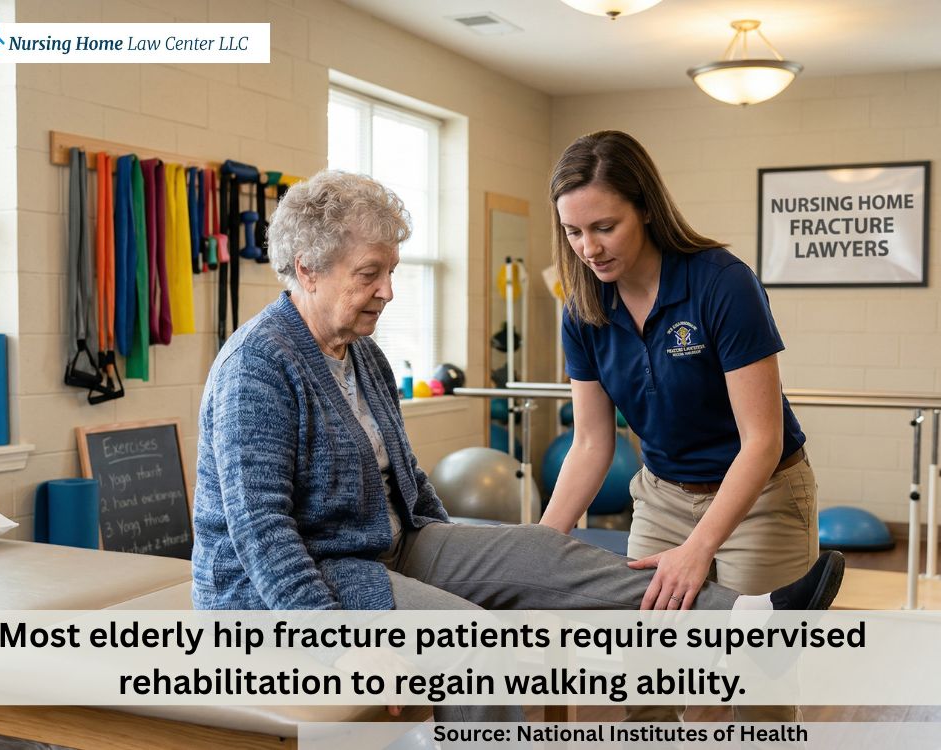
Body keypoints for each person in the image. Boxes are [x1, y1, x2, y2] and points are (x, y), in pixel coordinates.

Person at [192, 169, 843, 724]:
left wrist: (477, 563)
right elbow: (261, 533)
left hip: (386, 545)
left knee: (539, 547)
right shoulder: (258, 366)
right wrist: (340, 648)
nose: (388, 291)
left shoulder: (363, 355)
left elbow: (408, 481)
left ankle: (751, 617)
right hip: (296, 582)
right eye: (371, 274)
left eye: (390, 271)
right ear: (307, 270)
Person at [540, 130, 819, 722]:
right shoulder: (584, 310)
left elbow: (762, 440)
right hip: (663, 496)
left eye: (605, 226)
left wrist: (699, 548)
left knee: (755, 692)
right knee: (646, 684)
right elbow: (591, 443)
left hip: (761, 496)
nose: (589, 248)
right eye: (573, 232)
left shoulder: (721, 283)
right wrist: (536, 549)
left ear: (645, 208)